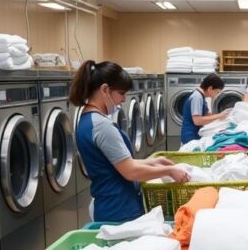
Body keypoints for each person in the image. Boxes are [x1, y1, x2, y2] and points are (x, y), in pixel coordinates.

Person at [70, 60, 189, 222]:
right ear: (105, 89)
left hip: (109, 204)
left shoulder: (86, 120)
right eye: (121, 93)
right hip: (120, 209)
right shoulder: (102, 126)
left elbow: (118, 164)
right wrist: (168, 171)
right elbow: (130, 172)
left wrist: (152, 162)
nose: (124, 99)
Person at [181, 73, 230, 144]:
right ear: (210, 88)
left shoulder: (201, 96)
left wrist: (222, 117)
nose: (217, 94)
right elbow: (197, 121)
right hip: (190, 137)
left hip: (195, 135)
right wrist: (219, 116)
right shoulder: (197, 97)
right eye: (217, 91)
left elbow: (207, 116)